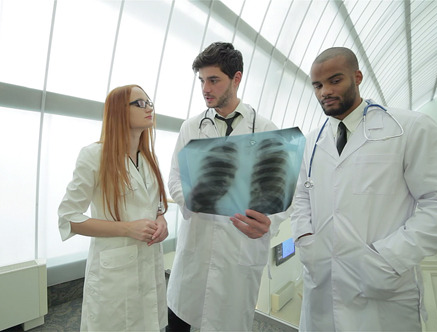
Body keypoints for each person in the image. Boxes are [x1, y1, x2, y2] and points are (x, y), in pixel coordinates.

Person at [291, 47, 437, 331]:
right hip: (322, 284)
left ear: (357, 77)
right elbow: (301, 195)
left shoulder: (408, 127)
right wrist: (304, 237)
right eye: (317, 85)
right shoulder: (311, 142)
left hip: (382, 289)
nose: (325, 91)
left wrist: (390, 257)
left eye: (335, 80)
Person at [167, 42, 283, 331]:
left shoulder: (266, 130)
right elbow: (174, 179)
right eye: (202, 81)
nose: (206, 88)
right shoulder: (191, 128)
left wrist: (270, 223)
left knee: (227, 323)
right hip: (197, 247)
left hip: (239, 251)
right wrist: (192, 198)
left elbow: (280, 195)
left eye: (214, 80)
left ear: (237, 78)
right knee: (180, 321)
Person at [58, 84, 170, 331]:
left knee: (149, 324)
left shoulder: (149, 158)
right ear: (119, 110)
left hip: (149, 262)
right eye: (140, 103)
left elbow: (157, 206)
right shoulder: (94, 155)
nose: (149, 107)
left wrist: (161, 222)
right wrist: (127, 228)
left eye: (149, 102)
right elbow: (69, 218)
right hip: (115, 270)